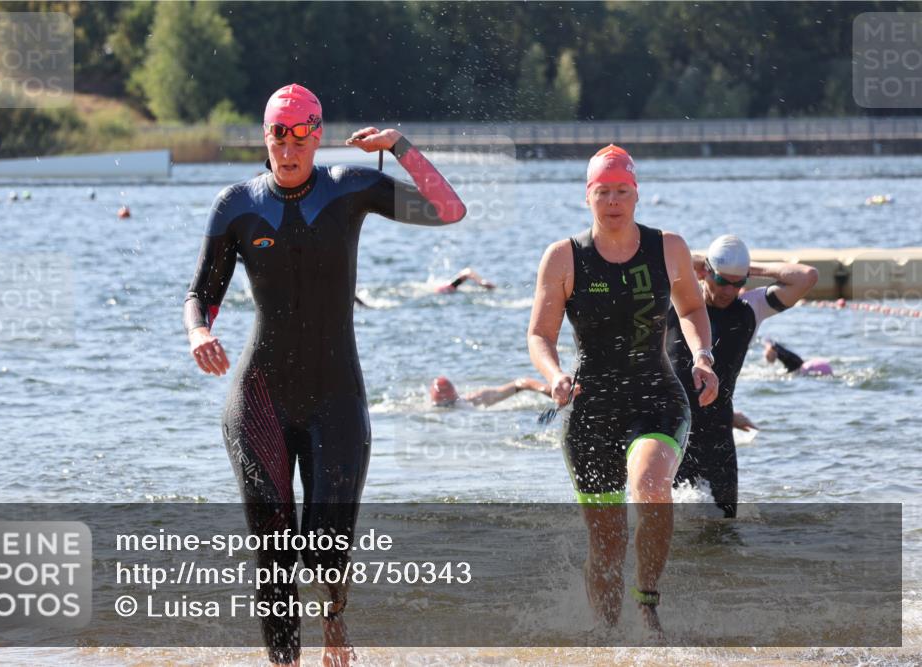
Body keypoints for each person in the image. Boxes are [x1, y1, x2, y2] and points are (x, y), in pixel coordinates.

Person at [183, 84, 466, 666]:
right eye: (276, 134)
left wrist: (402, 146)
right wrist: (199, 333)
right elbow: (200, 295)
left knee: (325, 553)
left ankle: (333, 616)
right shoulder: (236, 204)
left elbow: (448, 211)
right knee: (273, 549)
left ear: (317, 135)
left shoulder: (350, 188)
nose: (287, 147)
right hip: (258, 398)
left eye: (299, 134)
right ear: (265, 137)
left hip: (335, 397)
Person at [527, 144, 717, 638]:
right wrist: (553, 376)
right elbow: (540, 335)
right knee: (606, 545)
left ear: (636, 195)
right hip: (591, 411)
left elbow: (693, 311)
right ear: (588, 196)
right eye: (603, 192)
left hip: (657, 397)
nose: (613, 201)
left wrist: (702, 357)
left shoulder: (667, 247)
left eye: (623, 192)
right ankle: (606, 638)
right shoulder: (564, 257)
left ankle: (648, 604)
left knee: (651, 485)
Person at [666, 236, 819, 518]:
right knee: (666, 519)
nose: (729, 291)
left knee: (725, 525)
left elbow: (806, 277)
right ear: (704, 272)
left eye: (737, 283)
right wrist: (696, 262)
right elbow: (659, 259)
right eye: (722, 281)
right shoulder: (676, 301)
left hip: (718, 428)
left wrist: (752, 270)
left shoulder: (751, 307)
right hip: (671, 426)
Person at [429, 375, 550, 407]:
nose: (446, 408)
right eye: (442, 406)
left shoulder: (475, 400)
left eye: (449, 404)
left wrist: (544, 389)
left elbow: (521, 383)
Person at [763, 339, 833, 376]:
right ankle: (770, 349)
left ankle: (770, 349)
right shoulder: (797, 363)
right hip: (798, 367)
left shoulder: (797, 363)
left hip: (798, 367)